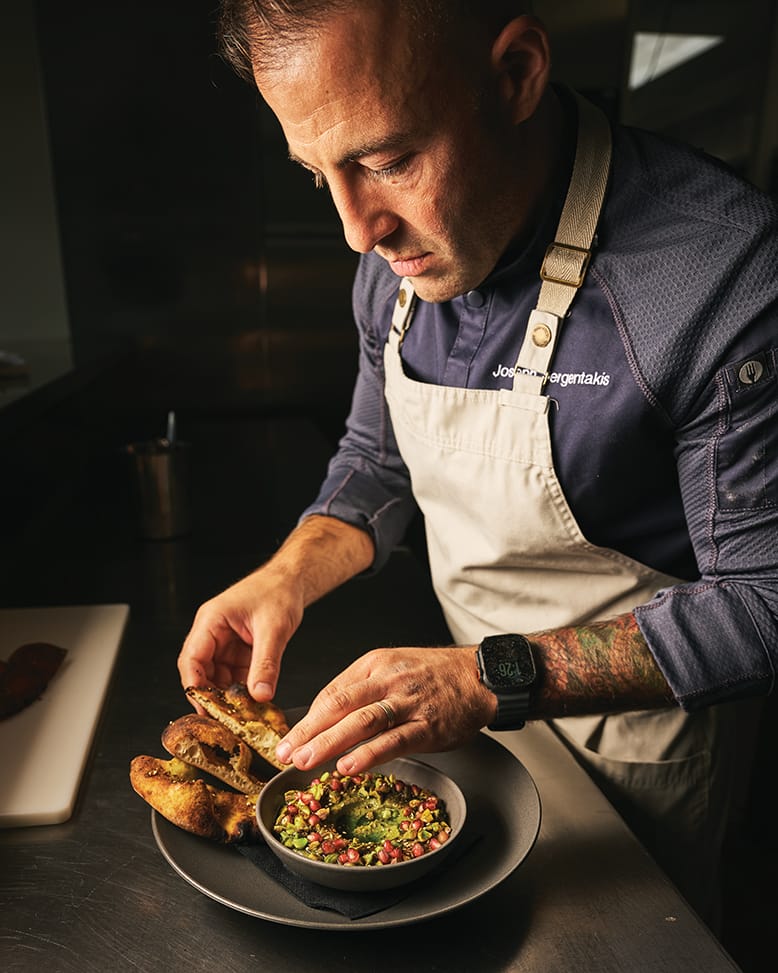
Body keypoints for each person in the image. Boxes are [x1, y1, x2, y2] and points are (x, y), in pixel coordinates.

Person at [178, 0, 777, 925]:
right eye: (317, 173)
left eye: (387, 160)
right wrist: (287, 575)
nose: (356, 230)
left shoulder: (720, 271)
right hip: (454, 729)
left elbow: (763, 601)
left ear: (516, 74)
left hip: (639, 754)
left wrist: (486, 676)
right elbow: (378, 456)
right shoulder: (393, 250)